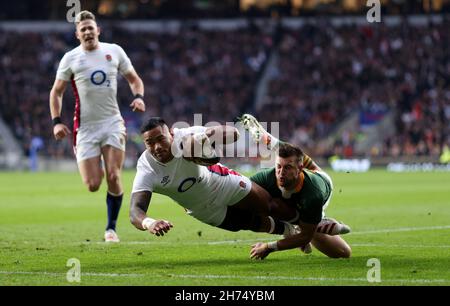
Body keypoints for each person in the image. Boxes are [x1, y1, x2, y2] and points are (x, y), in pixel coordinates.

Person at [49, 11, 146, 242]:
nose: (88, 32)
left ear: (98, 30)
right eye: (83, 29)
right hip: (85, 128)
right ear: (77, 34)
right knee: (93, 185)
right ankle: (97, 166)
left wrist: (139, 96)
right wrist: (56, 122)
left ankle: (111, 229)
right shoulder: (70, 58)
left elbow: (134, 79)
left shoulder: (114, 51)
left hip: (112, 123)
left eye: (91, 28)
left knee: (114, 175)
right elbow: (56, 92)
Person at [129, 117, 299, 238]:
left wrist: (205, 137)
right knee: (252, 223)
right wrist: (149, 223)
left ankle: (311, 223)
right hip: (202, 209)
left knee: (267, 206)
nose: (157, 147)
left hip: (222, 182)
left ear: (171, 134)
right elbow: (135, 211)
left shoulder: (187, 137)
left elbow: (233, 134)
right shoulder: (147, 167)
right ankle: (292, 232)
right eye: (150, 143)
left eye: (161, 139)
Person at [237, 114, 351, 259]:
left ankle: (312, 223)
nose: (281, 172)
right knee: (259, 201)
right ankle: (296, 226)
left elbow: (305, 237)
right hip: (296, 192)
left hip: (320, 185)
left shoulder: (313, 195)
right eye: (278, 166)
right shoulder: (267, 177)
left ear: (299, 169)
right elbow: (243, 192)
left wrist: (269, 247)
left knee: (343, 253)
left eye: (288, 168)